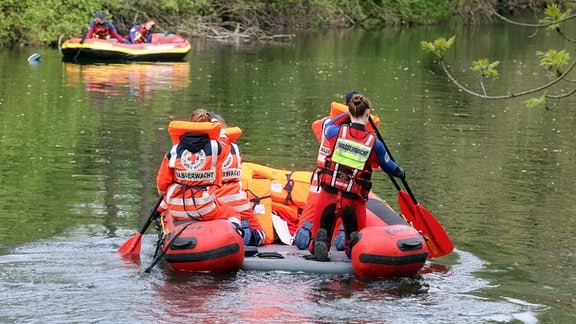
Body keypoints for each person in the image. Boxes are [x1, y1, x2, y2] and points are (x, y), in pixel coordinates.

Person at [309, 94, 406, 261]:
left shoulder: (334, 132)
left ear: (350, 111)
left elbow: (328, 125)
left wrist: (347, 113)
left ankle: (322, 242)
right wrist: (401, 172)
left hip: (329, 196)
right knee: (356, 248)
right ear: (367, 114)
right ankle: (351, 244)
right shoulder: (374, 144)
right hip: (353, 201)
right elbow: (390, 167)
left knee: (315, 243)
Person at [156, 109, 243, 232]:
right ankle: (237, 234)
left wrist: (165, 193)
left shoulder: (174, 150)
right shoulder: (216, 148)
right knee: (233, 213)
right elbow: (224, 138)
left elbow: (162, 184)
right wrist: (214, 122)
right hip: (204, 208)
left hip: (176, 210)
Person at [293, 91, 359, 250]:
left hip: (320, 181)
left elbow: (315, 125)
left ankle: (308, 228)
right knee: (344, 212)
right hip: (345, 183)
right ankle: (343, 230)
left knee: (316, 212)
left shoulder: (325, 124)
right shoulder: (357, 131)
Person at [199, 110, 267, 246]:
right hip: (240, 201)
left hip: (216, 204)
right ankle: (249, 233)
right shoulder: (236, 148)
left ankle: (233, 233)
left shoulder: (203, 150)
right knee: (263, 235)